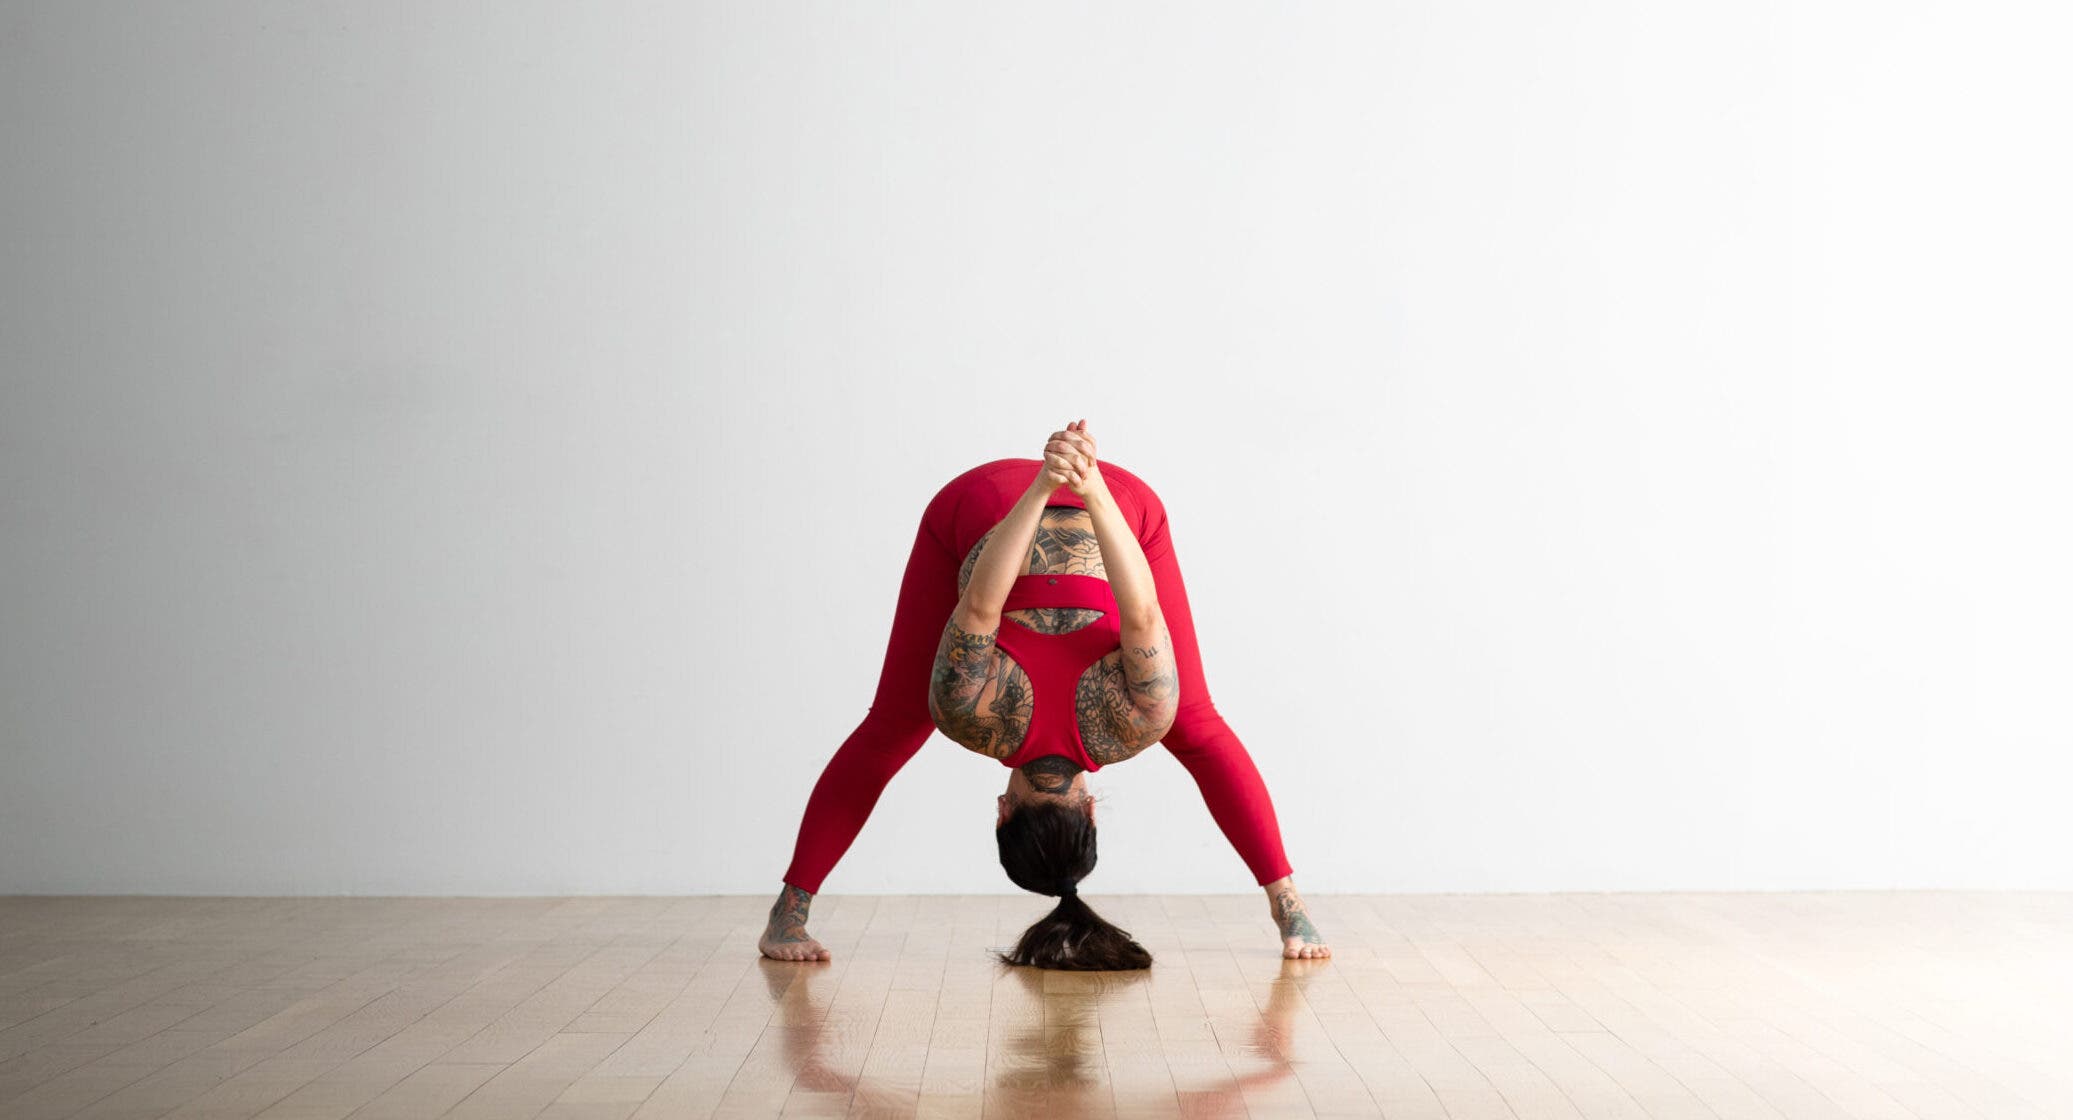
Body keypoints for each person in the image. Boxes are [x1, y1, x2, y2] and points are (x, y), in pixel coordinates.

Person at [761, 422, 1330, 965]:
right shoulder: (966, 717)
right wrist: (1043, 487)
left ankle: (1294, 916)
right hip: (984, 501)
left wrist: (1089, 487)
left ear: (1092, 813)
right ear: (1002, 813)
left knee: (1194, 723)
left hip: (1119, 503)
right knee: (896, 725)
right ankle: (786, 917)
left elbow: (1142, 615)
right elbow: (982, 606)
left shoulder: (1137, 724)